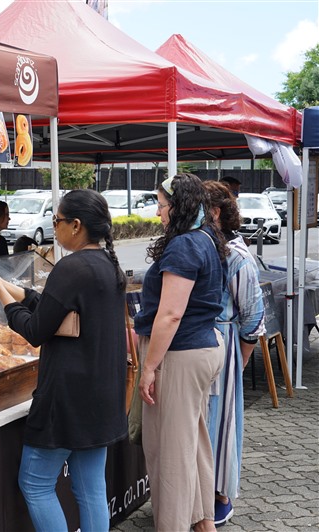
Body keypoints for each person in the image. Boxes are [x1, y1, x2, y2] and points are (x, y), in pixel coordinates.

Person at [0, 189, 128, 531]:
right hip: (101, 394)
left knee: (36, 484)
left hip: (68, 398)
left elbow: (36, 330)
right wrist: (5, 285)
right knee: (90, 488)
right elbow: (52, 307)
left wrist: (0, 293)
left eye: (57, 221)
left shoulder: (72, 267)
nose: (53, 227)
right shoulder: (107, 264)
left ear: (76, 225)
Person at [133, 173, 227, 532]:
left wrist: (149, 367)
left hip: (180, 353)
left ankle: (172, 525)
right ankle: (204, 523)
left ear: (178, 206)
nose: (157, 212)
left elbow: (170, 314)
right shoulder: (205, 237)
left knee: (170, 453)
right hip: (200, 347)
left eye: (161, 205)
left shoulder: (185, 244)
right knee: (193, 441)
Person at [204, 181, 265, 526]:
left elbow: (253, 319)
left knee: (221, 423)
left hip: (223, 346)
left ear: (215, 213)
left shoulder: (237, 257)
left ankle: (220, 496)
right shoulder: (203, 247)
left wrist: (238, 362)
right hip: (204, 346)